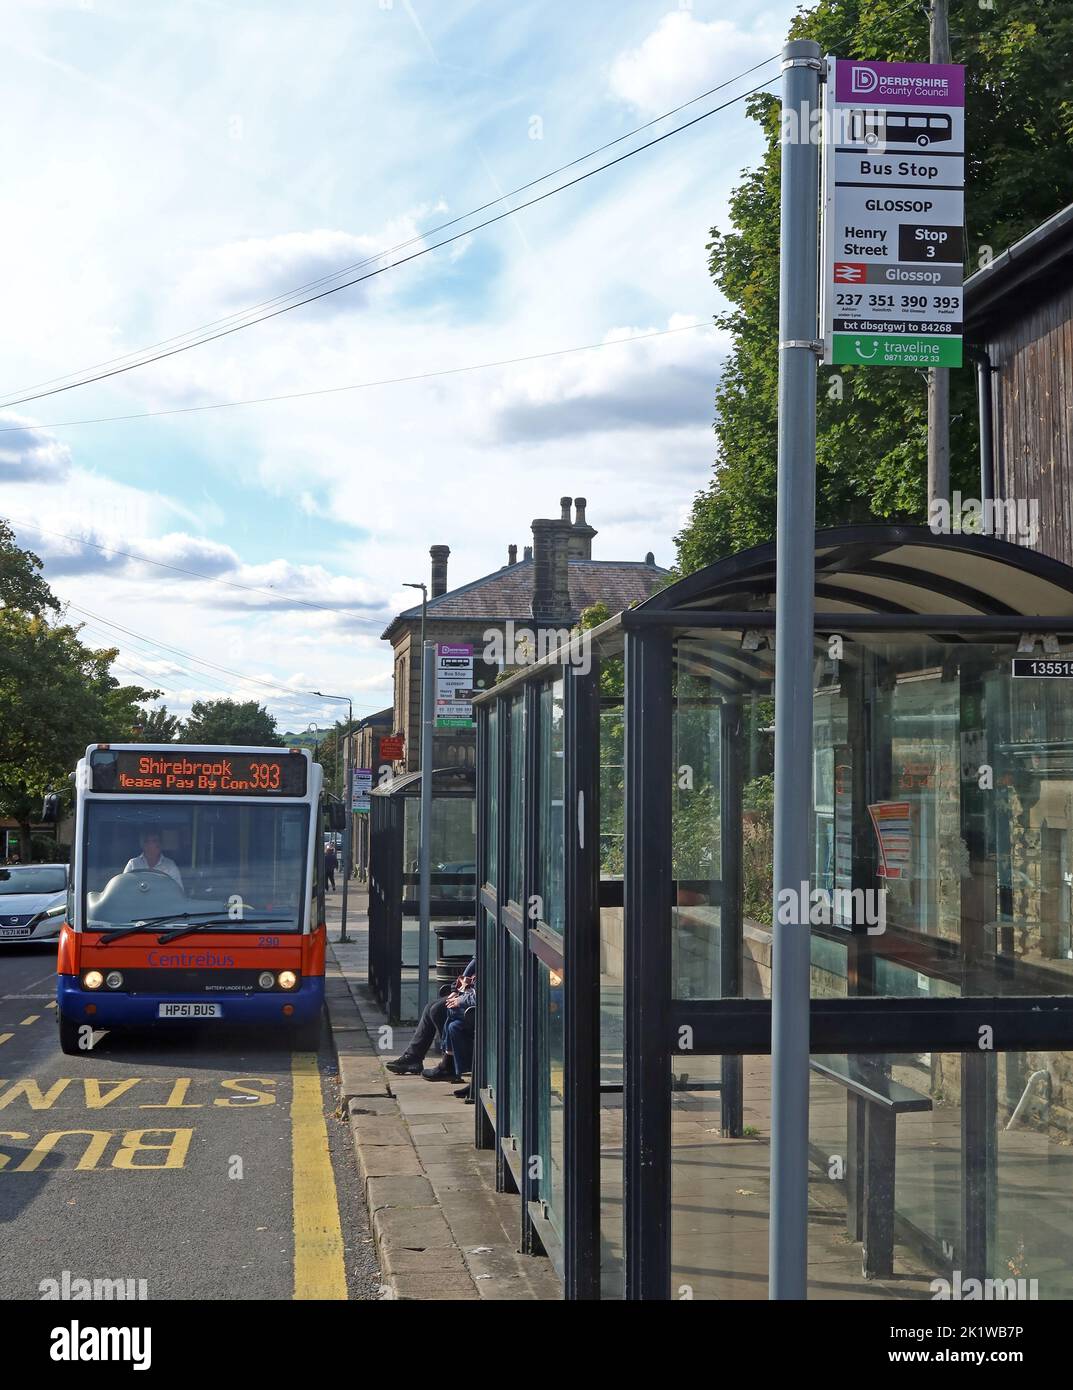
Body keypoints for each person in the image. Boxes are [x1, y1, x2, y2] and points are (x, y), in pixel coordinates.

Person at [385, 959, 475, 1079]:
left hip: (472, 1000)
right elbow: (471, 967)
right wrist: (456, 989)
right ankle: (414, 1057)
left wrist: (460, 997)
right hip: (467, 993)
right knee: (430, 1008)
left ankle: (449, 1063)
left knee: (438, 1010)